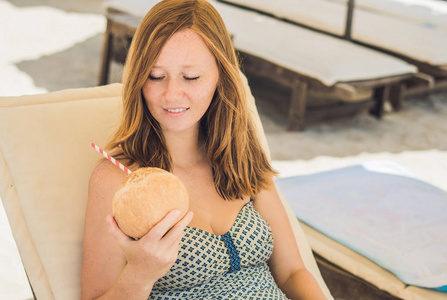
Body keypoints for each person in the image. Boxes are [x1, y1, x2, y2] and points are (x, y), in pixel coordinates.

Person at [81, 0, 327, 299]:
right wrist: (140, 274)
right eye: (156, 76)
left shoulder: (241, 156)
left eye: (191, 77)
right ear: (138, 80)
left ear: (220, 76)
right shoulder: (118, 181)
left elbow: (291, 272)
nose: (172, 94)